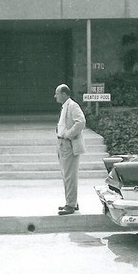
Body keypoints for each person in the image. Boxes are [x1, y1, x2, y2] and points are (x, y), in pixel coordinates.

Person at [54, 84, 86, 215]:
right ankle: (72, 201)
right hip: (62, 143)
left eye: (57, 93)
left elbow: (81, 122)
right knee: (67, 175)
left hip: (68, 144)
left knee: (69, 176)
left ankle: (70, 205)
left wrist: (68, 134)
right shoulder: (65, 106)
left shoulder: (72, 106)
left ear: (64, 94)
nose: (55, 96)